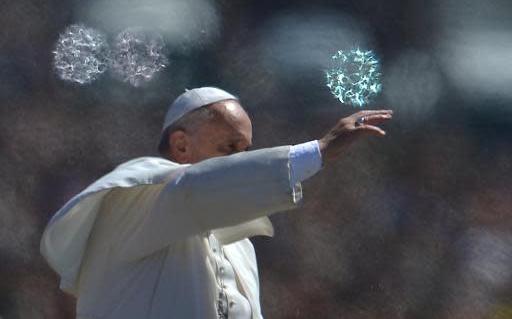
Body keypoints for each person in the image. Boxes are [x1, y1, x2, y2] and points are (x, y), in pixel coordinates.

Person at [40, 87, 392, 319]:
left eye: (246, 152)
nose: (239, 160)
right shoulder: (136, 194)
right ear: (180, 146)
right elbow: (194, 189)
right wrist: (319, 150)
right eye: (229, 148)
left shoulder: (239, 248)